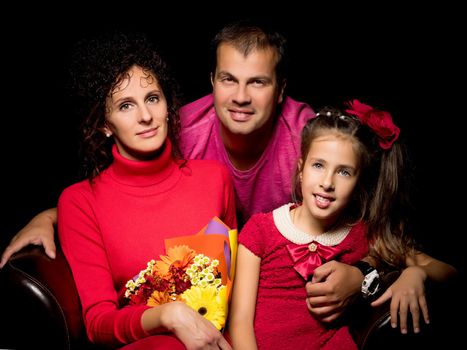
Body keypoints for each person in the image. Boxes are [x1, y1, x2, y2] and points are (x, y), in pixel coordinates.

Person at [0, 20, 314, 261]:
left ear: (281, 89)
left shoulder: (304, 137)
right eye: (228, 80)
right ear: (212, 82)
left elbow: (350, 210)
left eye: (257, 82)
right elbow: (123, 192)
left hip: (280, 270)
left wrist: (360, 275)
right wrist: (49, 216)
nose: (241, 97)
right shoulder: (182, 129)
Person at [52, 32, 236, 349]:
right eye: (126, 105)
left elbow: (239, 289)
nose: (146, 116)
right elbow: (98, 324)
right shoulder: (79, 201)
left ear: (167, 104)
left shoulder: (215, 178)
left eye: (152, 98)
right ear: (104, 124)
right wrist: (169, 316)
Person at [228, 102, 457, 349]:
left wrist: (415, 273)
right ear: (301, 169)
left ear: (359, 183)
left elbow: (448, 272)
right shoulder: (261, 230)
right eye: (318, 165)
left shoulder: (363, 234)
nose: (327, 182)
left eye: (344, 172)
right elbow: (240, 321)